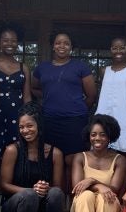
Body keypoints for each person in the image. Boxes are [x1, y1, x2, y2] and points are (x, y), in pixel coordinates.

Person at [0, 104, 65, 212]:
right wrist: (30, 190)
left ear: (39, 126)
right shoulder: (12, 150)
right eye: (21, 127)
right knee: (28, 195)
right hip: (15, 211)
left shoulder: (55, 153)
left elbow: (58, 188)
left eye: (29, 126)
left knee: (56, 194)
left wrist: (45, 189)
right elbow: (3, 185)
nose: (25, 130)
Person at [32, 31, 97, 191]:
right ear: (53, 46)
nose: (62, 46)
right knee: (52, 159)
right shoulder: (42, 68)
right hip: (50, 121)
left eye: (66, 43)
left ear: (71, 47)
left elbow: (91, 95)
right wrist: (48, 98)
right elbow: (33, 87)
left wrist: (77, 108)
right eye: (58, 43)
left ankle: (73, 199)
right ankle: (55, 199)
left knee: (72, 160)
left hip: (75, 122)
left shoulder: (80, 66)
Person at [71, 115, 126, 212]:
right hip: (83, 206)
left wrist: (91, 181)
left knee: (105, 198)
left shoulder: (119, 159)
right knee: (86, 195)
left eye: (103, 134)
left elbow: (114, 189)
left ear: (110, 137)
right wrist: (98, 185)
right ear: (89, 136)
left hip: (110, 208)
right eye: (93, 134)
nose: (98, 138)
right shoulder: (80, 157)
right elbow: (77, 187)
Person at [0, 20, 32, 188]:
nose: (10, 44)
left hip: (17, 119)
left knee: (16, 158)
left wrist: (29, 119)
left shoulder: (23, 67)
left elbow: (27, 97)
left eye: (13, 40)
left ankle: (12, 205)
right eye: (5, 40)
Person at [95, 37, 126, 180]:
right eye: (115, 48)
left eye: (122, 47)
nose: (118, 51)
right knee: (105, 157)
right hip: (104, 119)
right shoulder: (104, 70)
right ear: (110, 50)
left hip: (125, 120)